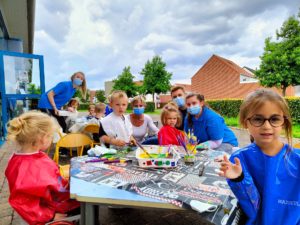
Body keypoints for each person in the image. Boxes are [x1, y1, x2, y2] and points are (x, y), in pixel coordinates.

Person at [218, 89, 300, 225]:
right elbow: (252, 208)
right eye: (257, 119)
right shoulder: (239, 159)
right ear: (246, 123)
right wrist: (239, 179)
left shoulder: (297, 160)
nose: (267, 126)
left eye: (274, 119)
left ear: (284, 122)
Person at [4, 111, 80, 224]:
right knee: (88, 208)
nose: (51, 139)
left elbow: (49, 176)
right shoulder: (26, 168)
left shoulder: (29, 156)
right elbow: (23, 203)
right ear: (43, 138)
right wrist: (51, 216)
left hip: (55, 200)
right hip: (49, 213)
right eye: (50, 136)